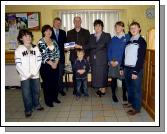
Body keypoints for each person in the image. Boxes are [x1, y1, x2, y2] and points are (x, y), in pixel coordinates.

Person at [15, 29, 44, 117]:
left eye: (29, 36)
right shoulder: (18, 50)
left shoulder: (35, 48)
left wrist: (34, 72)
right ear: (21, 38)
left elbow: (39, 61)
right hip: (24, 76)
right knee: (26, 93)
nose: (28, 37)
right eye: (25, 36)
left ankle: (36, 105)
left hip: (35, 74)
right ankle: (28, 109)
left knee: (36, 91)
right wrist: (26, 74)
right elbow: (18, 64)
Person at [120, 21, 147, 115]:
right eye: (131, 28)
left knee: (136, 89)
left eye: (135, 27)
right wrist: (121, 67)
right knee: (129, 88)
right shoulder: (128, 41)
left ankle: (136, 108)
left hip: (135, 69)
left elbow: (141, 58)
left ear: (139, 29)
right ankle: (130, 103)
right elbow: (124, 55)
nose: (133, 29)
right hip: (127, 68)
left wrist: (135, 71)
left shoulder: (141, 41)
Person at [86, 19, 111, 97]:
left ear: (102, 27)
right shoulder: (91, 36)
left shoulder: (107, 35)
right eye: (96, 26)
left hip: (103, 59)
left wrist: (110, 59)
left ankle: (103, 89)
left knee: (103, 74)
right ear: (94, 27)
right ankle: (100, 88)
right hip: (93, 59)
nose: (97, 27)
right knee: (97, 74)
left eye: (99, 26)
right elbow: (88, 47)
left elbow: (104, 46)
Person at [38, 24, 61, 107]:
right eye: (47, 30)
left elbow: (58, 53)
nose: (49, 32)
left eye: (50, 30)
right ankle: (48, 101)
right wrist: (52, 64)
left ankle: (55, 98)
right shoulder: (41, 42)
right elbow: (44, 55)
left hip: (55, 65)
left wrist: (56, 63)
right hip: (46, 66)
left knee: (55, 82)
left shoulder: (54, 41)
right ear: (44, 32)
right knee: (47, 84)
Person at [67, 16, 90, 95]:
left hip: (84, 57)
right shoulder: (69, 32)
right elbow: (67, 45)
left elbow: (88, 44)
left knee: (84, 73)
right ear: (73, 22)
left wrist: (87, 55)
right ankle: (76, 89)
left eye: (79, 21)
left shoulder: (86, 32)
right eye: (75, 21)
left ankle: (83, 89)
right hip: (74, 57)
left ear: (81, 22)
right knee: (75, 73)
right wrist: (68, 47)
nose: (77, 22)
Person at [108, 21, 129, 102]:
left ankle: (124, 95)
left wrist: (118, 61)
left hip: (123, 63)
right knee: (113, 79)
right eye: (116, 27)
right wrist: (110, 61)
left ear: (123, 28)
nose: (117, 28)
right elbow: (109, 51)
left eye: (119, 26)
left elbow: (126, 51)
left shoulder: (127, 37)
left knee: (124, 80)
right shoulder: (113, 39)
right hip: (113, 63)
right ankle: (113, 94)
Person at [51, 17, 67, 96]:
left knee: (60, 75)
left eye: (59, 23)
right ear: (53, 23)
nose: (58, 24)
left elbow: (65, 44)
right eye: (56, 23)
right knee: (53, 75)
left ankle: (61, 89)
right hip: (51, 59)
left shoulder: (63, 32)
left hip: (61, 58)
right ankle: (53, 90)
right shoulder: (48, 31)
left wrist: (67, 48)